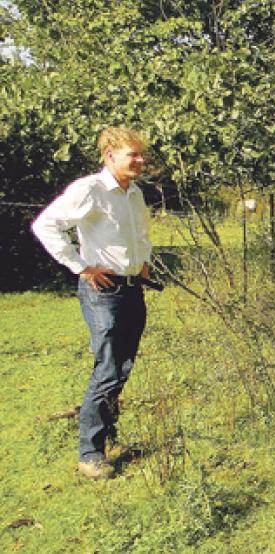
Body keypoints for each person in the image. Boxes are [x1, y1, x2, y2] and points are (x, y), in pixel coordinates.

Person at [31, 127, 152, 480]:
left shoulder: (134, 194)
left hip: (132, 288)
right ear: (109, 155)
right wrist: (80, 266)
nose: (140, 161)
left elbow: (141, 233)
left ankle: (108, 438)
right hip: (104, 292)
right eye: (133, 155)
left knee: (123, 366)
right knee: (109, 369)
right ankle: (90, 453)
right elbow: (46, 225)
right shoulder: (90, 190)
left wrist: (143, 261)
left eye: (141, 155)